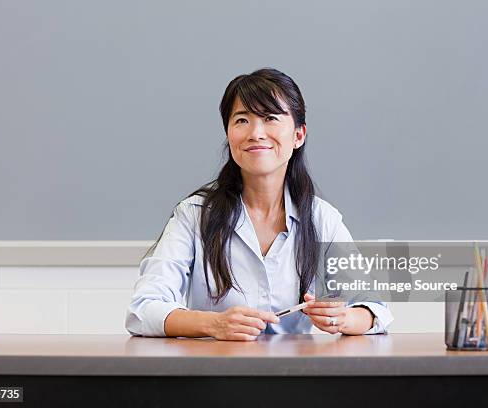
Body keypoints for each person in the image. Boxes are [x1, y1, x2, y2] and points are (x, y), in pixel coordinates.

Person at [125, 68, 393, 340]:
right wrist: (213, 324)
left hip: (297, 375)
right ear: (229, 135)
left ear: (298, 135)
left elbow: (374, 309)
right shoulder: (194, 215)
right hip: (214, 373)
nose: (256, 133)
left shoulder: (321, 218)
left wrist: (344, 318)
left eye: (270, 118)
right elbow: (143, 310)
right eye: (242, 120)